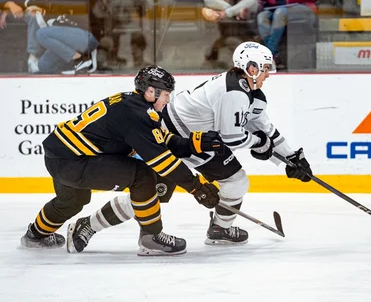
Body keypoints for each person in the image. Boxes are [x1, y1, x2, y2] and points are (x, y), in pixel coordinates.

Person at [66, 42, 313, 253]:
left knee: (236, 182)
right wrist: (261, 145)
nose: (269, 73)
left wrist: (291, 158)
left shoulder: (253, 93)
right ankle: (87, 224)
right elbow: (233, 138)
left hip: (200, 141)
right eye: (265, 68)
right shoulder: (234, 92)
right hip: (171, 135)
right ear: (251, 67)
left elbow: (265, 129)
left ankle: (221, 229)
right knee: (152, 193)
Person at [20, 65, 223, 256]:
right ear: (151, 92)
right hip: (73, 161)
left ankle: (35, 236)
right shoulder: (138, 115)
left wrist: (196, 143)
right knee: (142, 175)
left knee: (72, 201)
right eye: (166, 94)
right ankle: (151, 238)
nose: (168, 100)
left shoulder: (133, 104)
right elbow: (162, 161)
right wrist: (196, 187)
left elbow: (163, 141)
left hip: (60, 154)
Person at [34, 0, 105, 74]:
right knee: (44, 65)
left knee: (41, 34)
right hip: (73, 35)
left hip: (88, 36)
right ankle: (75, 64)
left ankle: (79, 59)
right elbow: (69, 11)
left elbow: (72, 7)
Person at [257, 0, 318, 69]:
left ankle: (269, 55)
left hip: (304, 6)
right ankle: (275, 56)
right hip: (278, 5)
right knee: (262, 16)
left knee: (280, 13)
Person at [0, 0, 54, 73]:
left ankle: (33, 57)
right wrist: (9, 5)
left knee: (35, 16)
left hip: (34, 10)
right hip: (13, 11)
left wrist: (33, 7)